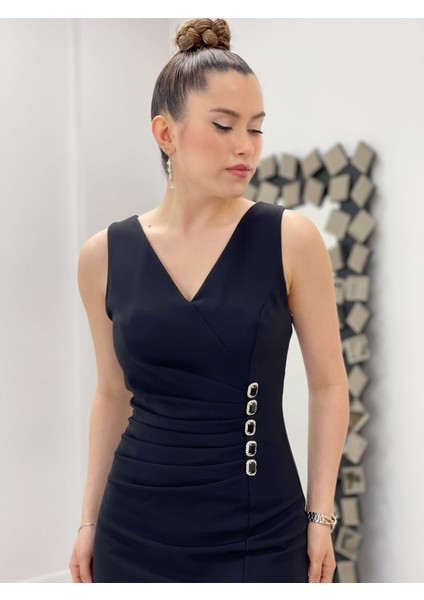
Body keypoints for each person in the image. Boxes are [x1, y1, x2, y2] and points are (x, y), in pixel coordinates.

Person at [69, 17, 349, 583]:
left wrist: (320, 516)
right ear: (165, 133)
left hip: (259, 530)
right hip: (132, 529)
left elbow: (328, 383)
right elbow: (111, 392)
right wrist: (88, 521)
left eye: (256, 128)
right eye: (223, 125)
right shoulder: (103, 255)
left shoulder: (290, 240)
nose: (245, 146)